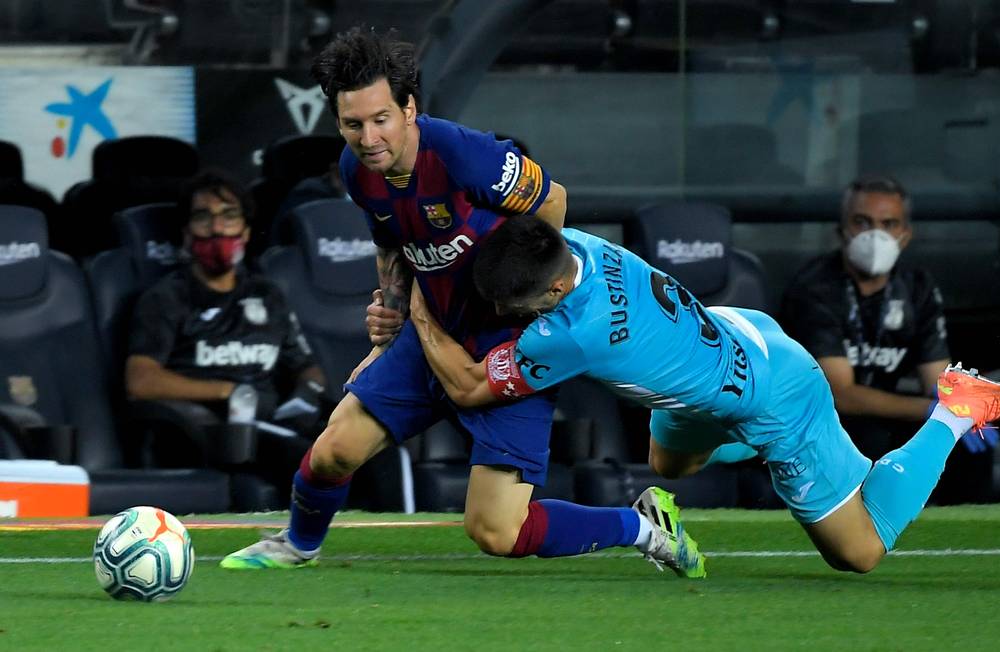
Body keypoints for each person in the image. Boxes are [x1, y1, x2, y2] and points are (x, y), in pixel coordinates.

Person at [221, 27, 705, 578]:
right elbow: (392, 239)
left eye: (381, 119)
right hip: (430, 332)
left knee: (497, 532)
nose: (368, 136)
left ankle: (642, 526)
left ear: (408, 108)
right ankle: (298, 545)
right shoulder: (359, 172)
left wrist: (526, 299)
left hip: (506, 344)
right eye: (353, 124)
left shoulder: (461, 156)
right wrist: (393, 307)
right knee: (333, 451)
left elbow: (553, 201)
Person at [406, 215, 1000, 573]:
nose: (498, 311)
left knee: (859, 552)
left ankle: (955, 411)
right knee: (669, 466)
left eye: (510, 304)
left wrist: (417, 307)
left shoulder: (571, 335)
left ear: (548, 296)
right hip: (721, 345)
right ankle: (743, 451)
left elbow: (467, 387)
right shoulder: (573, 245)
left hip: (774, 393)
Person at [779, 174, 995, 501]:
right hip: (816, 424)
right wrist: (932, 411)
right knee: (874, 437)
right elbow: (840, 394)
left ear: (905, 236)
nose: (875, 234)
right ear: (842, 231)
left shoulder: (917, 287)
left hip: (887, 419)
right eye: (862, 222)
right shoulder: (815, 288)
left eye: (889, 223)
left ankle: (958, 535)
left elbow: (940, 381)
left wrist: (965, 410)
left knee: (969, 442)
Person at [125, 170, 329, 496]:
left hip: (276, 423)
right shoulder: (165, 298)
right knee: (314, 463)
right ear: (187, 232)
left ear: (246, 232)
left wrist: (307, 390)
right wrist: (228, 391)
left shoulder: (267, 294)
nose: (217, 228)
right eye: (203, 218)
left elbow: (306, 365)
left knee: (366, 450)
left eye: (229, 216)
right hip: (210, 432)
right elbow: (140, 381)